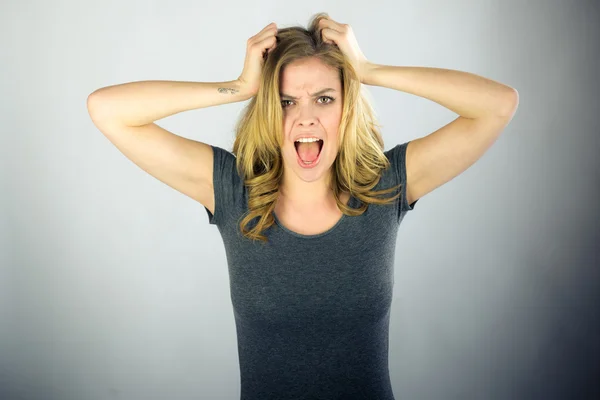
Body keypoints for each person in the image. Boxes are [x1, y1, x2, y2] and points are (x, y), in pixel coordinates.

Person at [87, 11, 518, 400]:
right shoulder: (233, 191)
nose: (306, 118)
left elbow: (498, 105)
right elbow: (107, 109)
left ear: (347, 108)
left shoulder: (385, 186)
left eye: (325, 98)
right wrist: (239, 87)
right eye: (287, 101)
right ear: (268, 111)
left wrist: (369, 70)